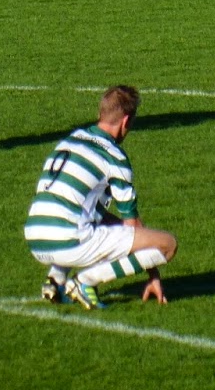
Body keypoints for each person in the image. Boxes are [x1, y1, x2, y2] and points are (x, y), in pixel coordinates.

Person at [25, 84, 175, 311]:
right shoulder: (114, 156)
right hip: (69, 241)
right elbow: (132, 224)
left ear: (100, 114)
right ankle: (85, 282)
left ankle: (56, 280)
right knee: (167, 245)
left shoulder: (71, 139)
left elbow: (98, 214)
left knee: (92, 217)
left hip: (35, 236)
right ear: (126, 121)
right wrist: (153, 274)